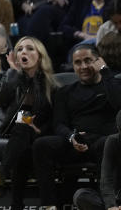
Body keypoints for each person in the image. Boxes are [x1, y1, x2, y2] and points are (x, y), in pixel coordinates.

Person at [31, 44, 121, 209]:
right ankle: (49, 205)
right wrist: (71, 137)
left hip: (101, 141)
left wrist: (105, 71)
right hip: (74, 141)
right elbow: (59, 124)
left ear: (98, 61)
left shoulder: (111, 85)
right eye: (78, 62)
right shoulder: (65, 92)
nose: (83, 66)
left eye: (88, 61)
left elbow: (119, 105)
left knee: (110, 143)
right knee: (41, 145)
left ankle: (110, 204)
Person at [0, 37, 59, 202]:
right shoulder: (6, 78)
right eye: (19, 49)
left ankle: (3, 174)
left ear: (40, 56)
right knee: (22, 126)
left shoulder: (52, 85)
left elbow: (55, 118)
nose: (23, 52)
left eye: (29, 49)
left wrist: (40, 129)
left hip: (39, 137)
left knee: (25, 147)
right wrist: (13, 72)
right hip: (7, 136)